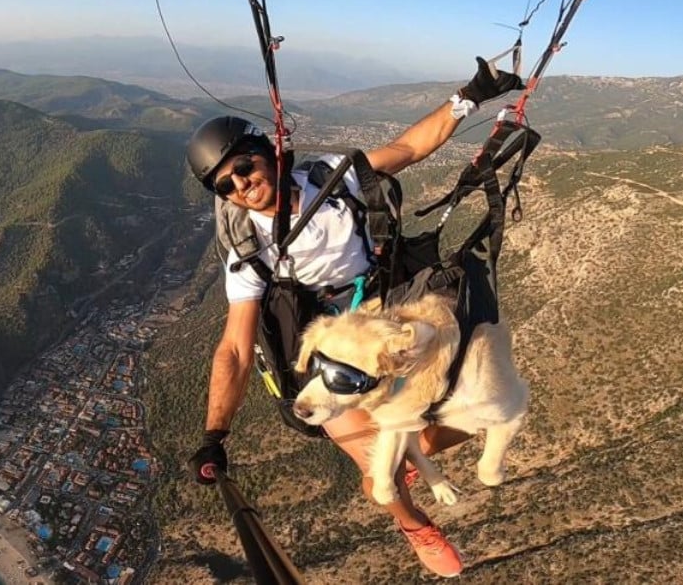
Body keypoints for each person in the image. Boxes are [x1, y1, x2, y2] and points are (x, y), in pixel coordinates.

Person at [184, 58, 524, 578]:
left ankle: (411, 453)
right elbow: (233, 347)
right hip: (329, 349)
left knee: (477, 404)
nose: (242, 186)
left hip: (388, 313)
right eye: (225, 185)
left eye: (245, 167)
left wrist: (470, 97)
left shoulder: (331, 180)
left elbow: (410, 147)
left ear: (269, 153)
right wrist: (215, 434)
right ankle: (415, 525)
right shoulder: (247, 251)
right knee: (379, 469)